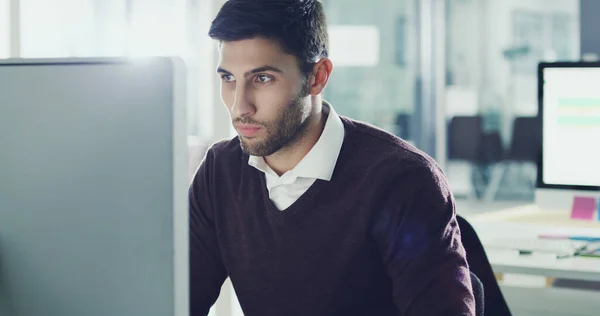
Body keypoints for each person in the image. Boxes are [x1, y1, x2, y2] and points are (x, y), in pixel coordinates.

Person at [189, 0, 475, 315]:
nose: (240, 106)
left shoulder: (404, 180)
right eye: (228, 78)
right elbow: (179, 300)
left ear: (317, 77)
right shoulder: (222, 171)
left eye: (262, 78)